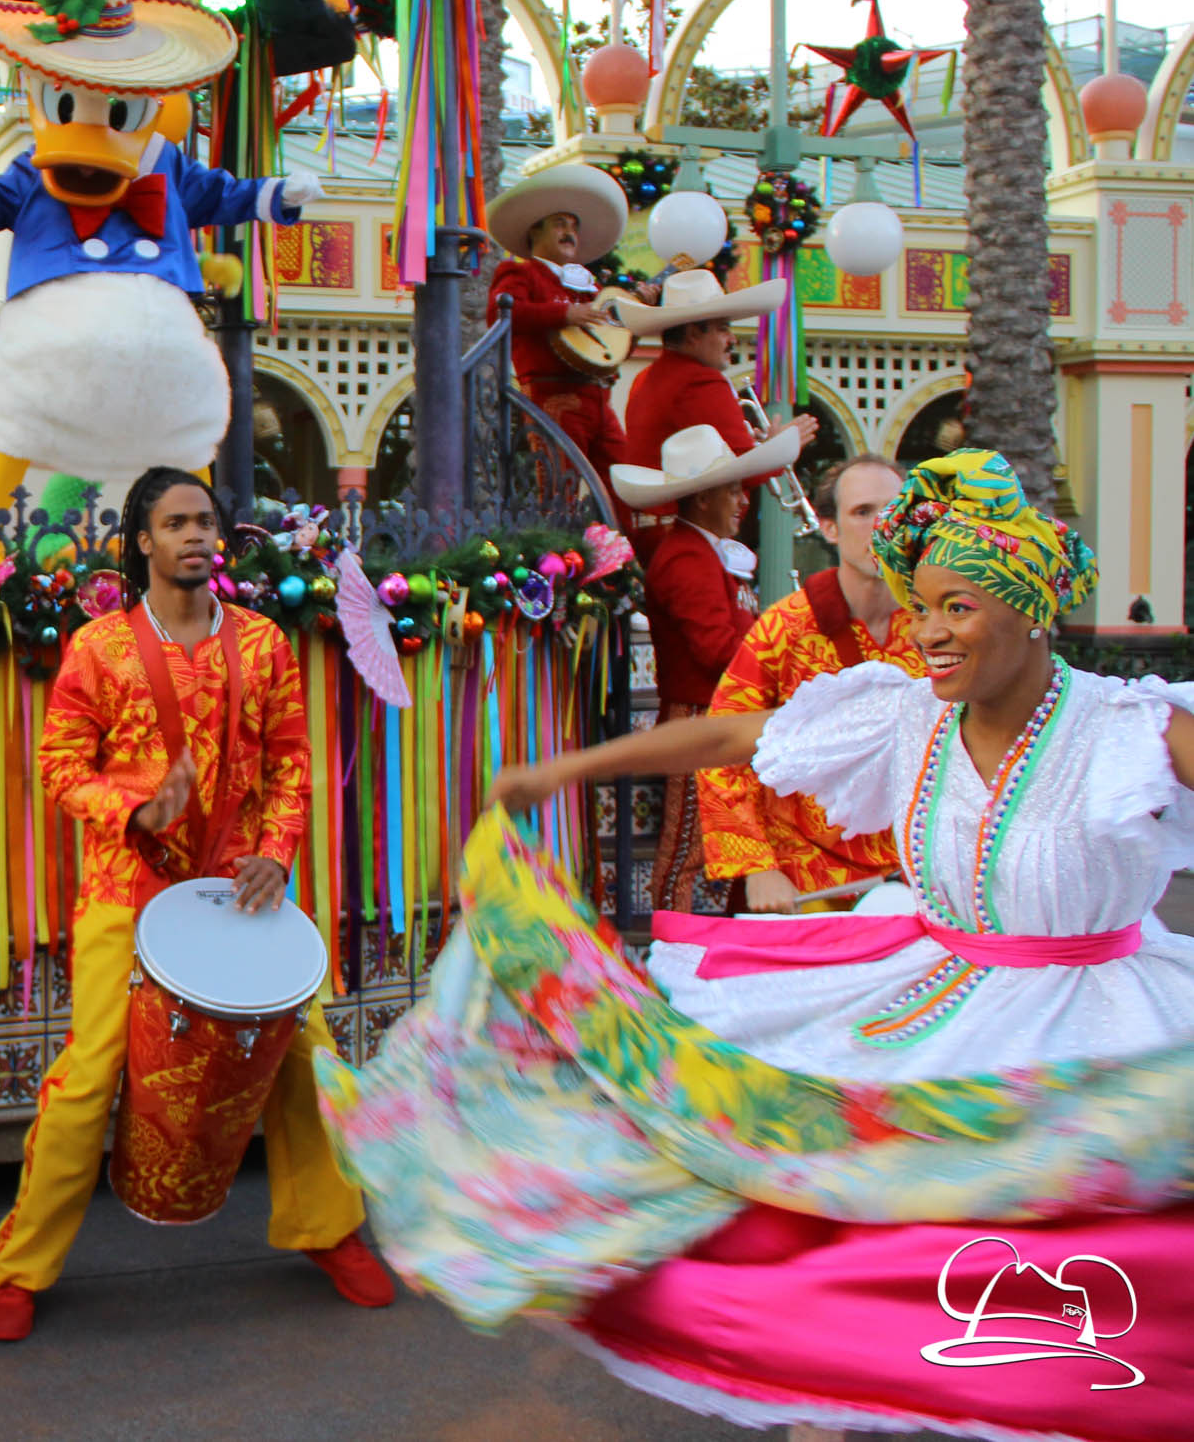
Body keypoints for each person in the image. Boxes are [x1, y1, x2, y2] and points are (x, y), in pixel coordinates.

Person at [322, 449, 1194, 1442]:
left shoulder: (1128, 726)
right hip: (940, 998)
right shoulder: (908, 713)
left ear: (1029, 607)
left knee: (1066, 1266)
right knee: (829, 1214)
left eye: (957, 608)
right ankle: (827, 1400)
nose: (929, 633)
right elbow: (729, 738)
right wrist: (567, 768)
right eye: (920, 609)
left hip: (1097, 1023)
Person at [0, 466, 390, 1343]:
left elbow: (292, 763)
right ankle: (20, 1268)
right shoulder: (99, 647)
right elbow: (58, 766)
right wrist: (135, 810)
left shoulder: (263, 642)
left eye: (205, 520)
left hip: (237, 889)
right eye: (176, 523)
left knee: (305, 1056)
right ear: (143, 541)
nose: (196, 534)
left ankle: (331, 1227)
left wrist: (276, 851)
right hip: (126, 892)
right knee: (88, 1075)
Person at [698, 453, 921, 911]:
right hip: (803, 878)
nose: (882, 526)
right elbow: (721, 747)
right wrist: (758, 867)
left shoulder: (935, 626)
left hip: (917, 875)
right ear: (829, 528)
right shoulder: (786, 628)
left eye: (893, 511)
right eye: (863, 512)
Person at [610, 423, 806, 911]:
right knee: (686, 851)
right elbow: (717, 649)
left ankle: (732, 934)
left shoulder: (702, 553)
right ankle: (669, 940)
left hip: (719, 714)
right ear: (702, 499)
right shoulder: (686, 559)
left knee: (738, 840)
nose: (743, 501)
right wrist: (780, 656)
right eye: (733, 491)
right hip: (701, 717)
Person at [483, 162, 637, 476]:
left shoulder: (587, 285)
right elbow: (500, 313)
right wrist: (564, 314)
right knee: (558, 486)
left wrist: (636, 316)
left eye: (573, 227)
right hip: (553, 395)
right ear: (534, 230)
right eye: (559, 224)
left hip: (599, 398)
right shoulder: (521, 272)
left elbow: (613, 346)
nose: (569, 233)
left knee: (624, 483)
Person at [618, 268, 817, 479]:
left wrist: (760, 447)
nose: (732, 339)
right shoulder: (700, 380)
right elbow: (737, 471)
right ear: (693, 334)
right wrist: (778, 449)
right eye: (723, 329)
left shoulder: (644, 378)